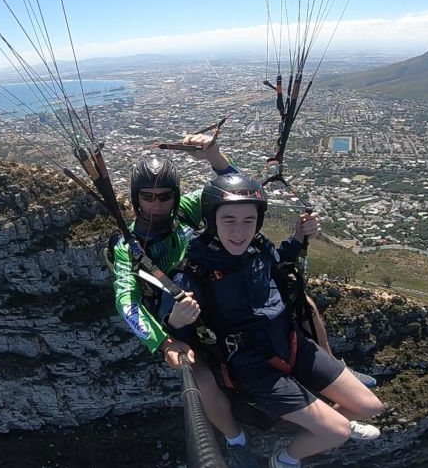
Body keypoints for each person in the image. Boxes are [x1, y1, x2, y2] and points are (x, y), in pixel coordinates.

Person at [166, 173, 384, 468]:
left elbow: (278, 265)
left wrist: (298, 237)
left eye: (249, 220)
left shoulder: (258, 246)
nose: (239, 231)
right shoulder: (196, 269)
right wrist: (176, 321)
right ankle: (284, 460)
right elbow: (182, 334)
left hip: (291, 343)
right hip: (253, 367)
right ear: (212, 221)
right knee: (338, 431)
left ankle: (326, 421)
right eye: (229, 220)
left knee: (371, 406)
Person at [111, 134, 260, 467]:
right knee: (201, 376)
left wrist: (215, 155)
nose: (157, 205)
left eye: (165, 197)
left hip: (214, 295)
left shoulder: (186, 212)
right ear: (136, 200)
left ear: (176, 197)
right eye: (147, 197)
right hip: (175, 317)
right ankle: (236, 442)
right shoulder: (128, 247)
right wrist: (163, 343)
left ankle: (330, 369)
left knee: (294, 305)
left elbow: (236, 193)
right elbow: (127, 302)